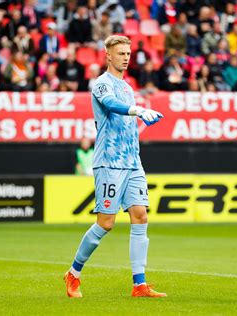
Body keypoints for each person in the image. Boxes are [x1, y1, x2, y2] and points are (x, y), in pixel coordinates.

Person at [64, 35, 166, 298]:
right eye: (121, 53)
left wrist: (137, 113)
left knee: (140, 215)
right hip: (109, 162)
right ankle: (73, 273)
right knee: (106, 223)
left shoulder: (128, 88)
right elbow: (110, 105)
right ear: (108, 55)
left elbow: (126, 118)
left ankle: (139, 284)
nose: (126, 57)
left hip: (133, 162)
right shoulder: (102, 84)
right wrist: (137, 110)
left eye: (128, 53)